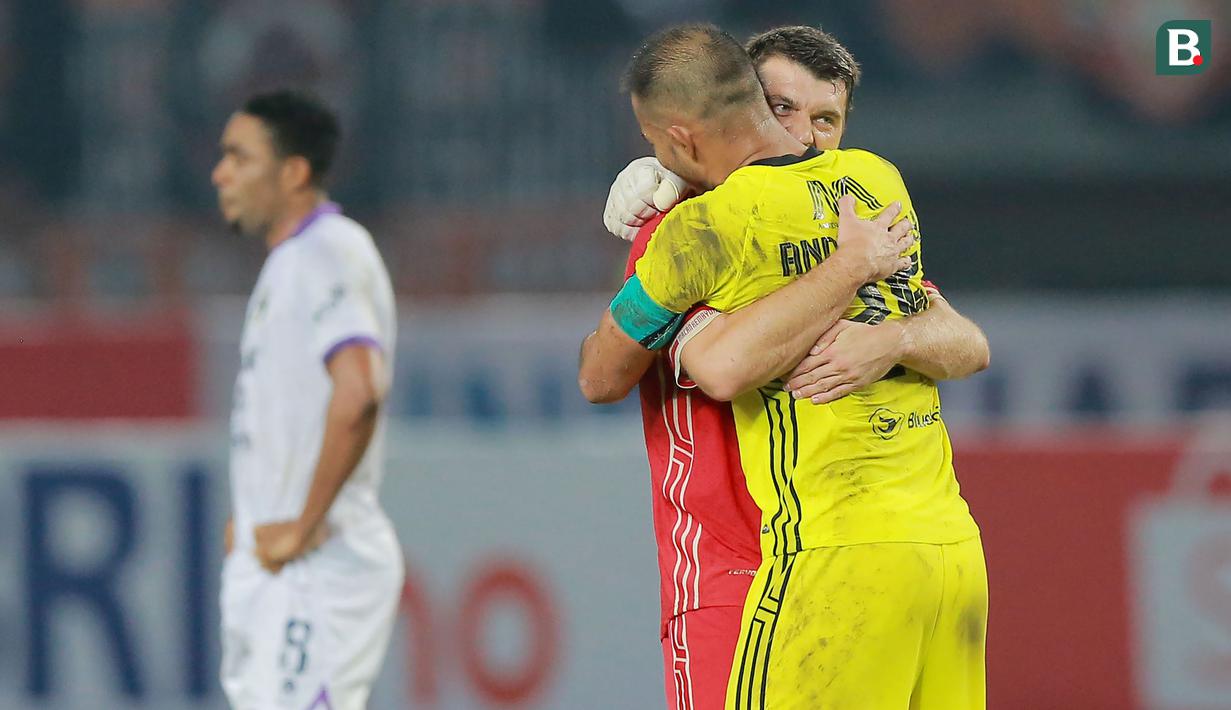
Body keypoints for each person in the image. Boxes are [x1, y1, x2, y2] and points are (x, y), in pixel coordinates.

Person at [580, 24, 985, 710]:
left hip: (819, 553)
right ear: (753, 105)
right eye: (784, 109)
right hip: (776, 561)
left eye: (826, 118)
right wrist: (851, 273)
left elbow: (963, 341)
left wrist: (892, 339)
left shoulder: (741, 223)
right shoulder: (867, 192)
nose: (806, 135)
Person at [212, 90, 403, 710]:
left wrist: (304, 521)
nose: (221, 173)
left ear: (293, 171)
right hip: (283, 573)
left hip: (319, 568)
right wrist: (259, 512)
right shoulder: (289, 265)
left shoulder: (328, 250)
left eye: (239, 157)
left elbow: (358, 392)